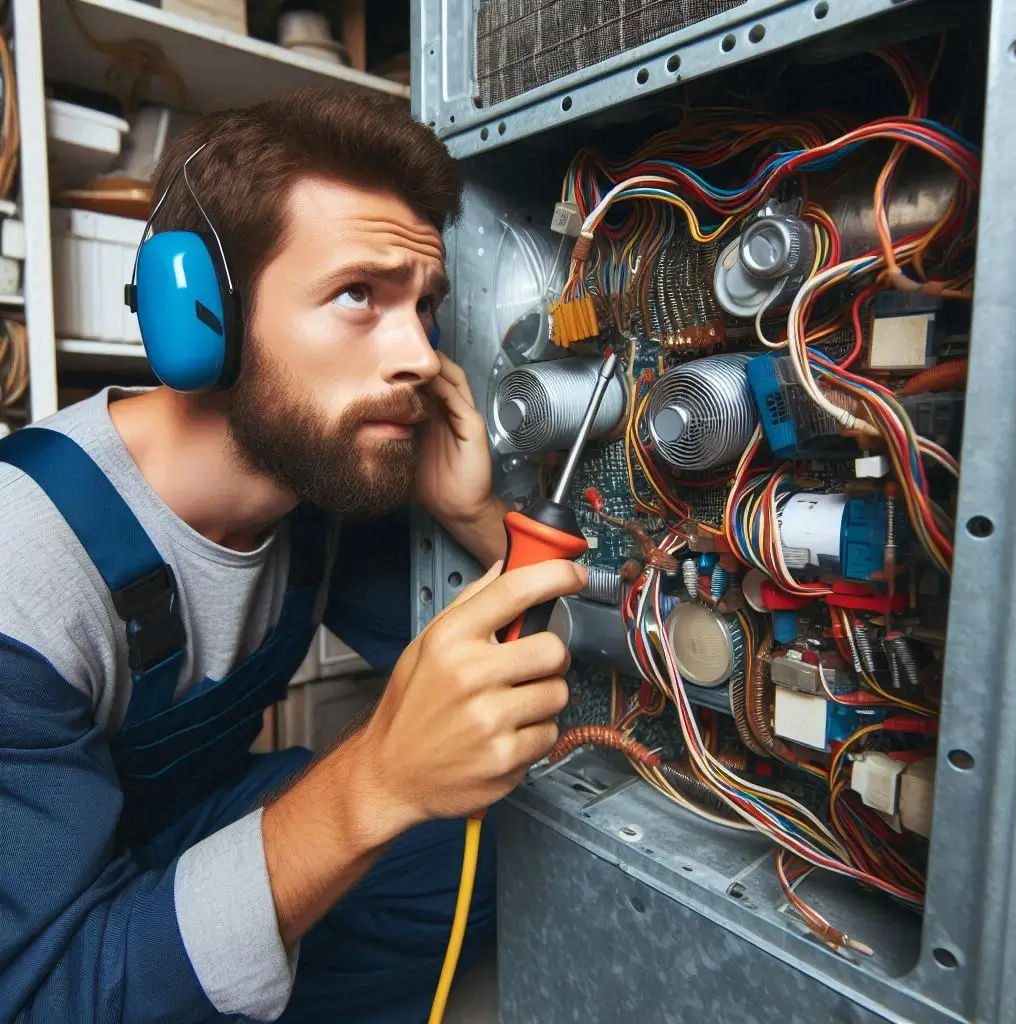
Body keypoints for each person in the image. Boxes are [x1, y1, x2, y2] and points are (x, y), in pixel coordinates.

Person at [0, 87, 584, 1022]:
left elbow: (500, 686)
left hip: (165, 841)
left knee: (465, 828)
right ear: (198, 320)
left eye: (423, 304)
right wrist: (374, 784)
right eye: (359, 294)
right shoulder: (24, 563)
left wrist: (474, 516)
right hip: (51, 928)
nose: (421, 358)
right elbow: (40, 994)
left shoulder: (321, 490)